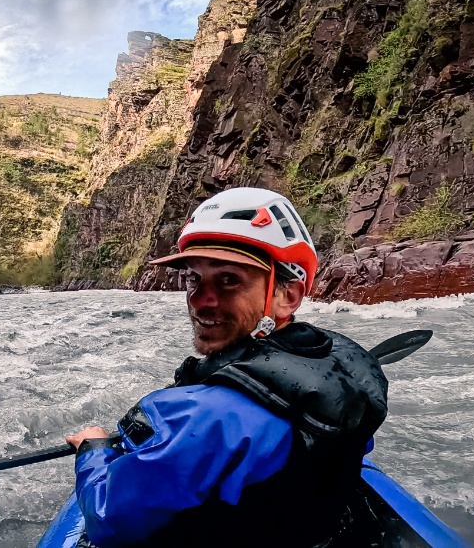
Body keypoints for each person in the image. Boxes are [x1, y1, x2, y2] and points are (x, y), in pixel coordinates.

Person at [65, 187, 389, 548]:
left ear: (288, 296)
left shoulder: (206, 417)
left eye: (229, 280)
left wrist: (93, 451)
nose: (202, 302)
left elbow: (110, 522)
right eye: (193, 279)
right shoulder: (346, 367)